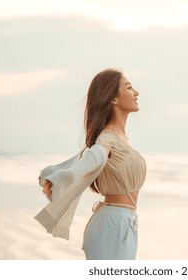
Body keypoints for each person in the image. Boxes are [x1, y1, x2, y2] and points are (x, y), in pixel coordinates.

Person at [34, 68, 147, 260]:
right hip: (112, 226)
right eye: (129, 87)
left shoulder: (120, 138)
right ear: (113, 99)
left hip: (124, 222)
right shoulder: (107, 139)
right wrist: (62, 178)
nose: (136, 92)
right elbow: (93, 159)